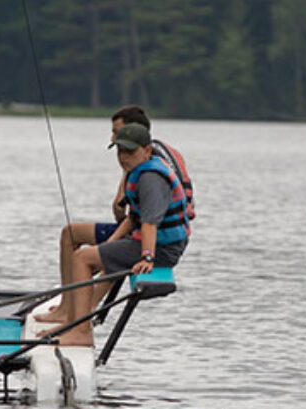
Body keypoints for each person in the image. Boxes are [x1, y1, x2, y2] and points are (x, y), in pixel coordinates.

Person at [37, 105, 194, 323]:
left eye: (117, 132)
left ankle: (82, 316)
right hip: (140, 229)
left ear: (140, 141)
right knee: (71, 233)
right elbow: (129, 215)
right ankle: (67, 307)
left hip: (156, 238)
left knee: (95, 256)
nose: (113, 137)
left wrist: (145, 255)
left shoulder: (149, 170)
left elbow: (136, 216)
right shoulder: (139, 159)